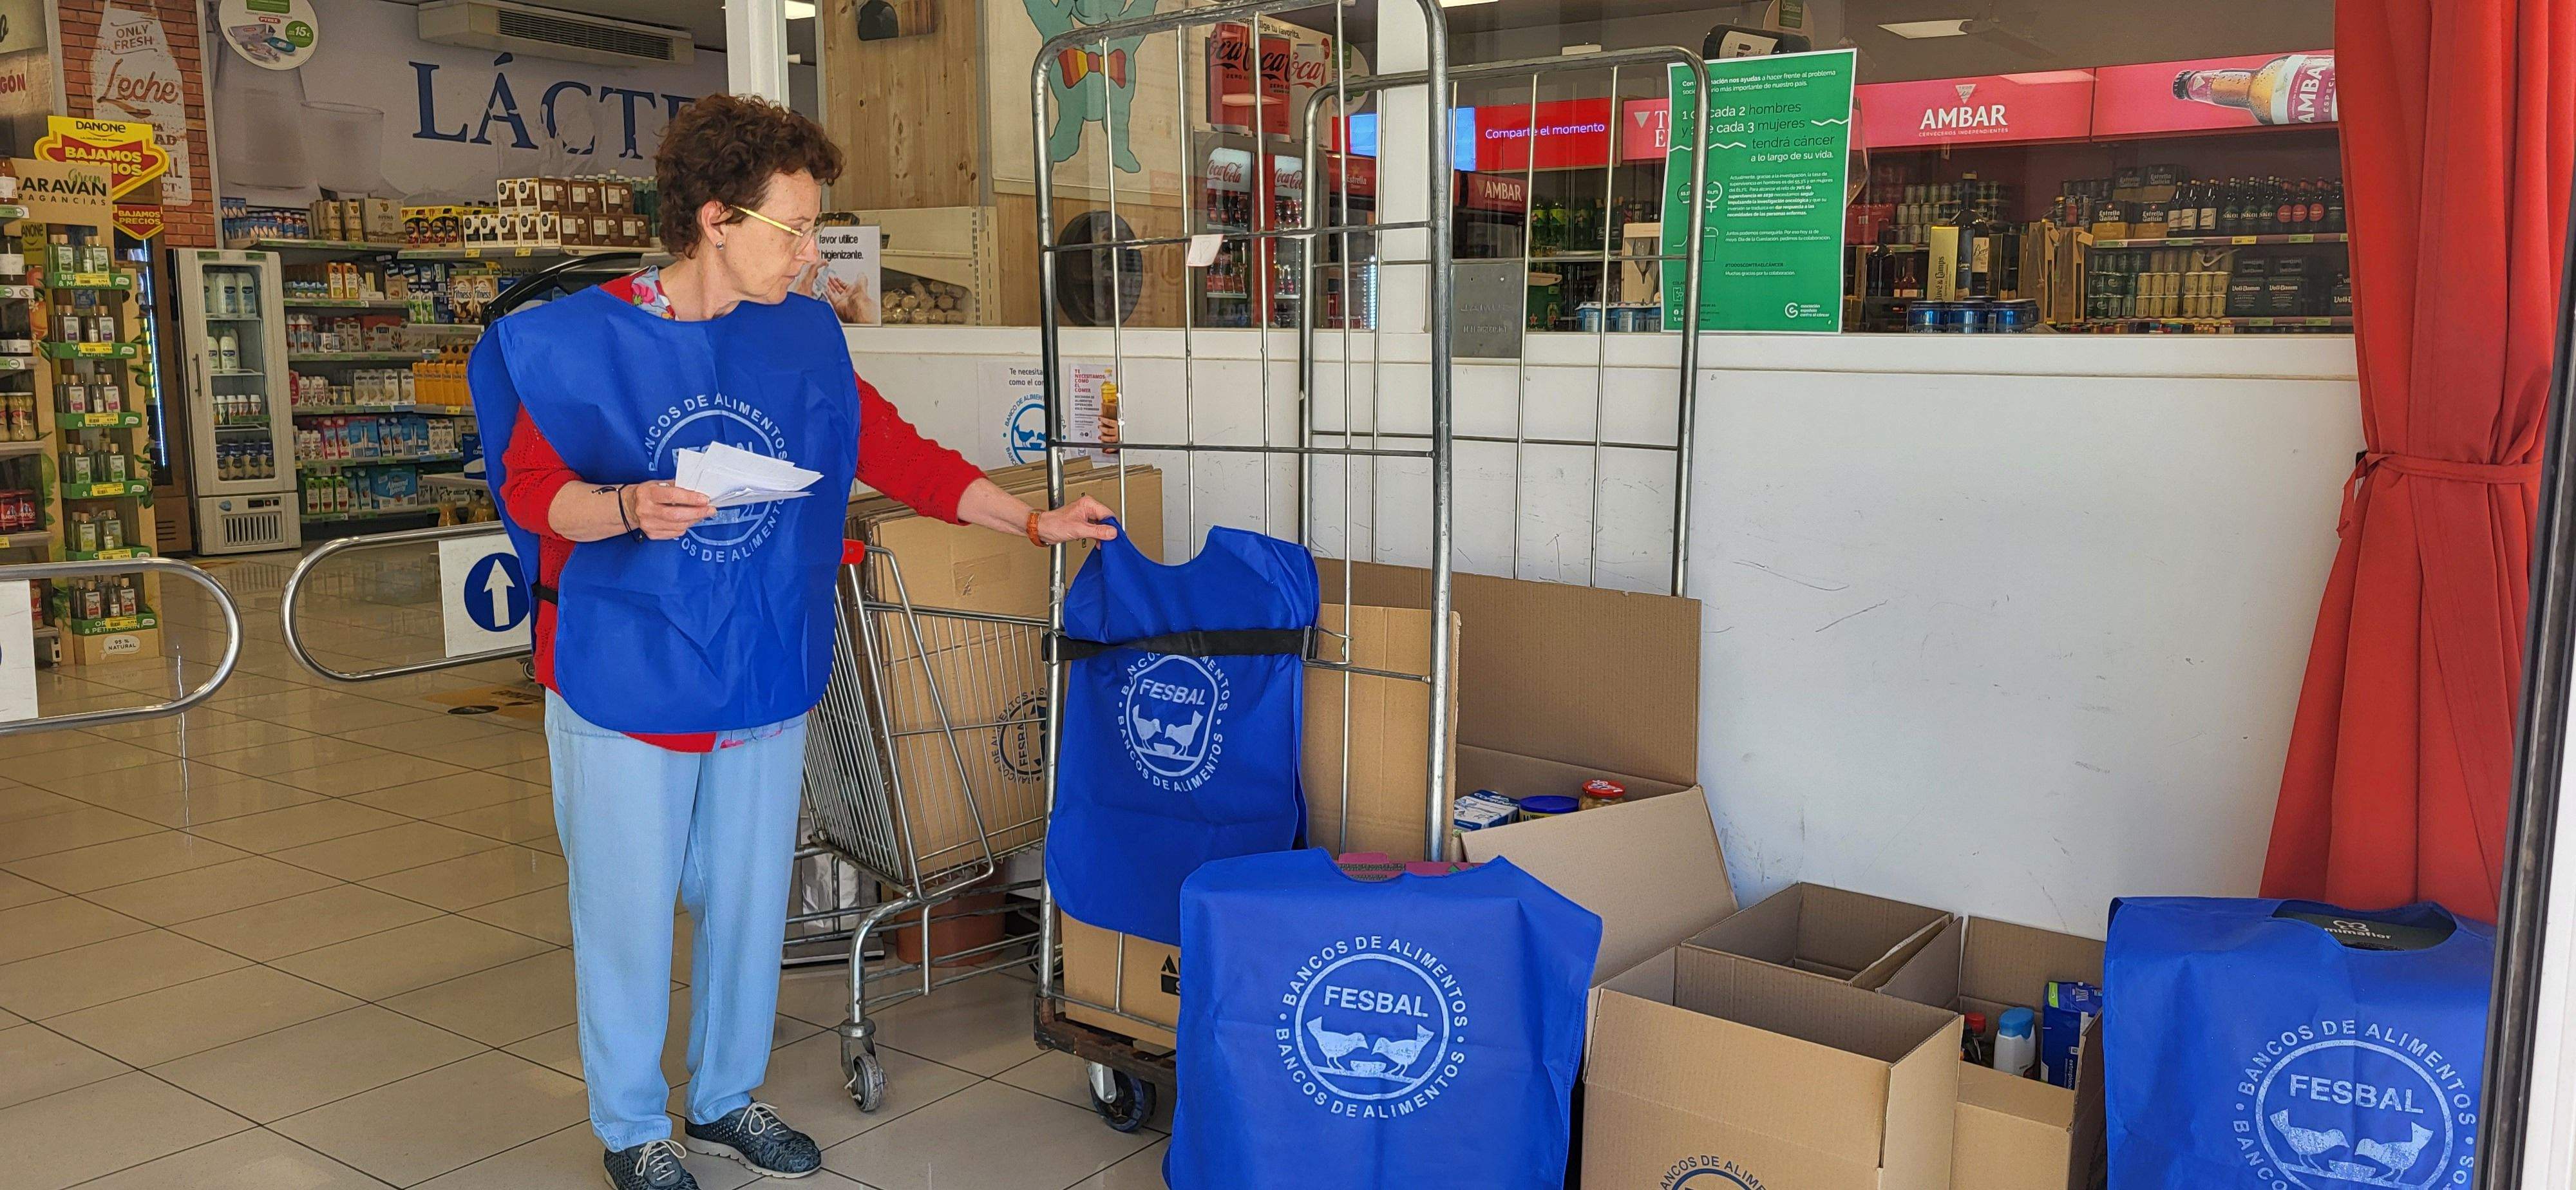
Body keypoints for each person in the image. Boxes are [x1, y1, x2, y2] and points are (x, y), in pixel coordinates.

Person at [468, 93, 1115, 1190]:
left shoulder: (800, 334)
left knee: (747, 901)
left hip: (759, 657)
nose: (814, 254)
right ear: (715, 220)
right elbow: (533, 491)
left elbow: (888, 448)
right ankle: (633, 1125)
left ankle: (726, 1099)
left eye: (818, 229)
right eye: (796, 228)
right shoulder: (578, 342)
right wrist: (625, 508)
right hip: (629, 669)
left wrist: (1028, 522)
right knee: (626, 913)